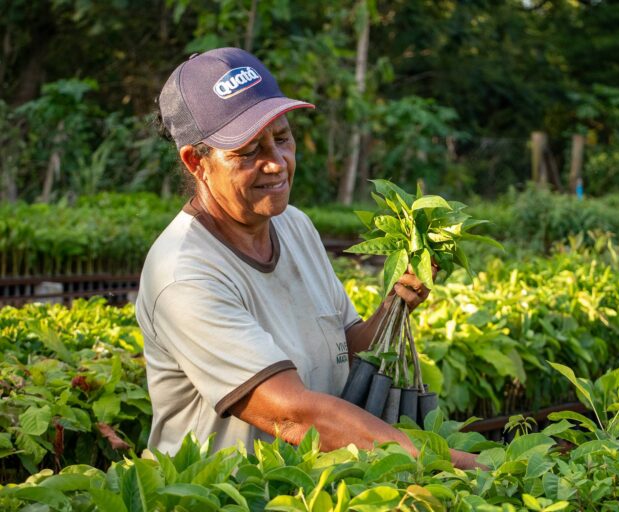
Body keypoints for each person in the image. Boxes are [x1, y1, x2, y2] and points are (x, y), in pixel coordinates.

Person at [136, 47, 478, 469]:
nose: (277, 164)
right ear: (196, 163)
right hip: (224, 495)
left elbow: (344, 354)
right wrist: (455, 465)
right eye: (249, 151)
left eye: (282, 139)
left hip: (305, 482)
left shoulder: (294, 226)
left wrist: (394, 307)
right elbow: (292, 414)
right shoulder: (184, 274)